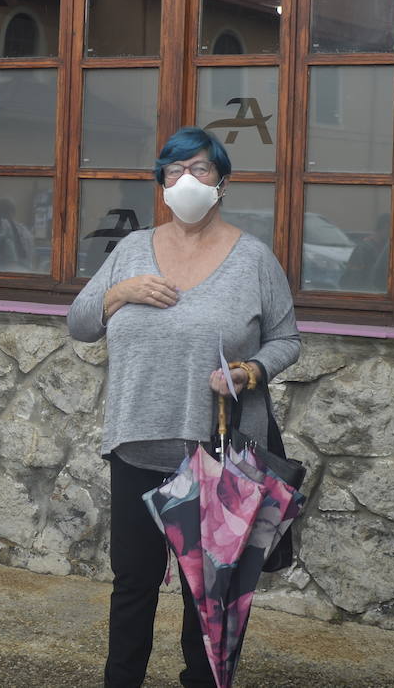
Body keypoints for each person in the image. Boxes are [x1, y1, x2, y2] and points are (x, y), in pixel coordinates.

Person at [68, 126, 301, 688]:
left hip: (215, 453)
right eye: (173, 172)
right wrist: (119, 293)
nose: (185, 181)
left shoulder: (253, 259)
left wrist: (250, 371)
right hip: (137, 446)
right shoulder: (129, 252)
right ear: (161, 184)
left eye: (199, 169)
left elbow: (287, 339)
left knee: (210, 598)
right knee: (132, 587)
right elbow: (79, 323)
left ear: (221, 181)